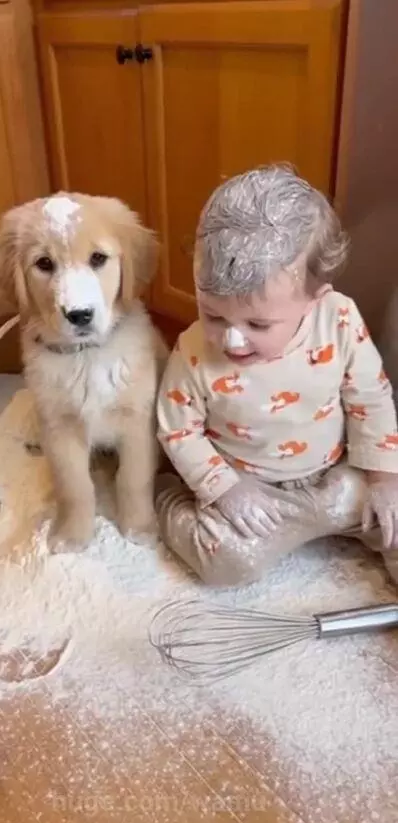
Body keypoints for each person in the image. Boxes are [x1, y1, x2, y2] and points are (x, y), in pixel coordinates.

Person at [155, 164, 398, 586]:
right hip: (253, 488)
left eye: (258, 325)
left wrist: (383, 479)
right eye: (212, 314)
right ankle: (163, 496)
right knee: (226, 561)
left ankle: (332, 514)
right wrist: (224, 489)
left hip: (337, 475)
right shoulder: (194, 350)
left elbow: (370, 400)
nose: (231, 340)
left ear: (314, 300)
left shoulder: (338, 319)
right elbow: (178, 431)